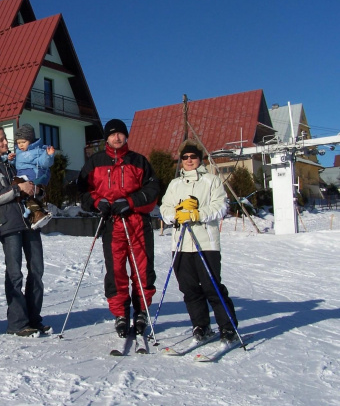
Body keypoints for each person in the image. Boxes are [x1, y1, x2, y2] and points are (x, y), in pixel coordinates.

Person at [77, 119, 160, 338]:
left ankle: (141, 311)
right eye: (112, 134)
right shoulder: (95, 162)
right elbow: (82, 192)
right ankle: (121, 313)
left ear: (126, 136)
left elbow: (152, 190)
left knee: (142, 271)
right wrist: (97, 202)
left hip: (137, 222)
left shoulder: (139, 161)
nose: (117, 138)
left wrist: (131, 201)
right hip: (112, 224)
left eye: (120, 134)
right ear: (107, 138)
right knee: (116, 272)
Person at [160, 139, 239, 344]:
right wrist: (177, 213)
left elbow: (220, 207)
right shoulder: (175, 184)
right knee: (189, 288)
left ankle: (228, 327)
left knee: (212, 287)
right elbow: (164, 209)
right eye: (184, 157)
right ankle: (201, 325)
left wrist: (196, 214)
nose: (189, 160)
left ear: (200, 158)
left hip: (206, 243)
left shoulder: (211, 181)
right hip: (181, 244)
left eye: (193, 156)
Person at [0, 125, 50, 337]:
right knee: (15, 273)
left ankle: (34, 319)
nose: (6, 143)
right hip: (8, 224)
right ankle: (17, 323)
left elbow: (32, 182)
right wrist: (18, 189)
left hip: (29, 220)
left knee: (37, 269)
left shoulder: (12, 161)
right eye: (0, 140)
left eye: (5, 140)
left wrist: (37, 189)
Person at [11, 123, 56, 229]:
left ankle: (37, 213)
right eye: (18, 142)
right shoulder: (18, 152)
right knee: (24, 196)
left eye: (23, 142)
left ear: (30, 141)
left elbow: (44, 163)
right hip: (23, 175)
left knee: (17, 187)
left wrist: (48, 156)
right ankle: (40, 212)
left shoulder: (37, 151)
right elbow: (16, 164)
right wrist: (10, 158)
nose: (21, 145)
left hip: (32, 175)